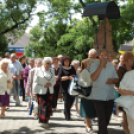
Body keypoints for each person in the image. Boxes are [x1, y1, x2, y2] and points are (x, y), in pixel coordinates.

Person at [90, 49, 119, 134]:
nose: (104, 57)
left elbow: (117, 79)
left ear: (108, 57)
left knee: (106, 119)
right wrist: (101, 65)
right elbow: (93, 78)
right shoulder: (94, 65)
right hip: (98, 97)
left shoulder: (111, 66)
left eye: (106, 55)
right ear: (100, 56)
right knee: (102, 119)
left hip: (109, 96)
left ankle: (101, 131)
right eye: (102, 55)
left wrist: (112, 81)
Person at [32, 57, 56, 128]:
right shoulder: (38, 70)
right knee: (43, 106)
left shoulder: (52, 70)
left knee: (48, 107)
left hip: (49, 91)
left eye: (50, 63)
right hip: (41, 91)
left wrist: (50, 84)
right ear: (43, 63)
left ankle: (46, 120)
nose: (49, 65)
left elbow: (54, 80)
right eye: (47, 63)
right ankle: (43, 121)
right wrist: (34, 92)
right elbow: (35, 82)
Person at [116, 52, 134, 134]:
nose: (132, 62)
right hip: (127, 97)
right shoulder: (122, 70)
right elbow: (119, 84)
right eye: (130, 60)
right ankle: (127, 130)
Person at [78, 58, 97, 133]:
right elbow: (80, 82)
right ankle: (88, 126)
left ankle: (89, 124)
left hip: (95, 95)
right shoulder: (85, 71)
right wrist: (89, 84)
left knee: (92, 112)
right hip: (87, 94)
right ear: (88, 64)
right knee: (87, 112)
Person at [58, 56, 76, 120]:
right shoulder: (61, 68)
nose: (67, 62)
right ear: (63, 62)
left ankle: (66, 111)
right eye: (65, 61)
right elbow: (59, 78)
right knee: (66, 101)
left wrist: (73, 77)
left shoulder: (72, 67)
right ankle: (68, 117)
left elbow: (75, 75)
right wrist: (68, 77)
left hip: (72, 87)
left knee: (72, 100)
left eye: (68, 61)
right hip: (64, 87)